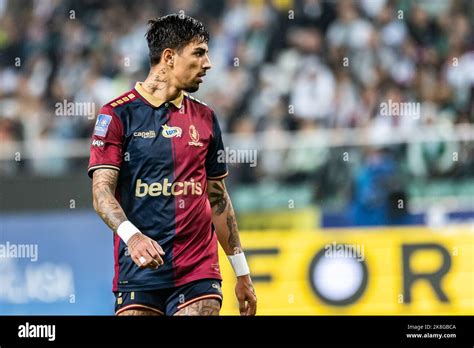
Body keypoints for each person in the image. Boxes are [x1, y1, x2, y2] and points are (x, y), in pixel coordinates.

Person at [88, 14, 256, 316]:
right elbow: (101, 194)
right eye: (199, 53)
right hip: (138, 267)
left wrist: (241, 272)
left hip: (197, 270)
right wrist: (133, 237)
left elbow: (217, 198)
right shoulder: (117, 115)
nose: (208, 64)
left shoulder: (206, 118)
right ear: (168, 57)